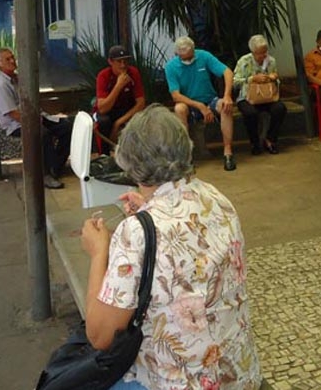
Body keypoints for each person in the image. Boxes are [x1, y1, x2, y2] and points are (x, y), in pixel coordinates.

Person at [80, 104, 263, 390]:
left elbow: (100, 335)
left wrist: (98, 252)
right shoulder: (217, 199)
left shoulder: (136, 233)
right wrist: (149, 210)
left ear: (131, 163)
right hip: (239, 374)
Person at [0, 48, 72, 189]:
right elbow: (12, 113)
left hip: (35, 117)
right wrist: (33, 122)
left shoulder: (18, 79)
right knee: (42, 134)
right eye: (7, 59)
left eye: (12, 57)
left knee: (67, 127)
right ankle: (45, 174)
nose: (12, 61)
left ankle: (56, 166)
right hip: (17, 124)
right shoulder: (0, 86)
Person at [164, 36, 236, 171]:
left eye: (190, 56)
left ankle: (228, 152)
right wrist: (199, 106)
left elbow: (227, 72)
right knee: (179, 108)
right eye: (184, 58)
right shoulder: (171, 67)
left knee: (225, 106)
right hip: (189, 103)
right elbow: (175, 95)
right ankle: (186, 156)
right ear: (177, 55)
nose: (188, 60)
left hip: (210, 99)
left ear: (193, 50)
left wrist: (227, 96)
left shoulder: (204, 56)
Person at [233, 34, 287, 155]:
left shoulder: (271, 61)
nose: (263, 55)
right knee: (250, 113)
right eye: (259, 53)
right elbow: (235, 81)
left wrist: (273, 78)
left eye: (265, 52)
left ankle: (270, 140)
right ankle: (255, 142)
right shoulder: (244, 61)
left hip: (267, 97)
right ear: (253, 51)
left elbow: (276, 81)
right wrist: (252, 79)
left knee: (280, 109)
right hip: (247, 97)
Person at [94, 45, 146, 155]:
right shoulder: (103, 76)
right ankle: (104, 155)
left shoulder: (133, 72)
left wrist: (118, 123)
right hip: (108, 110)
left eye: (125, 61)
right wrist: (118, 86)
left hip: (126, 109)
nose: (123, 65)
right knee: (103, 122)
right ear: (110, 62)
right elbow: (102, 108)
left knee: (140, 119)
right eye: (119, 62)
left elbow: (140, 103)